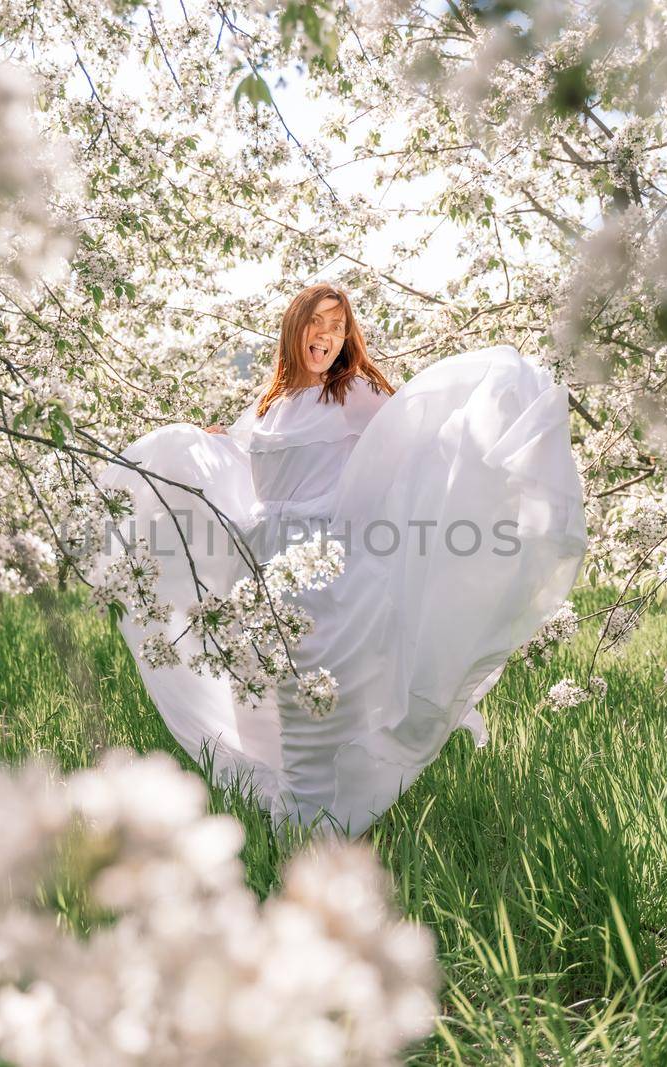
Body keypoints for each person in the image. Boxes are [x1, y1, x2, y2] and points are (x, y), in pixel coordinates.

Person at [94, 283, 587, 835]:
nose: (327, 336)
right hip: (258, 566)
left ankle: (319, 824)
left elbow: (414, 432)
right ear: (294, 327)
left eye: (337, 326)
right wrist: (201, 445)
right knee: (263, 700)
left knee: (313, 696)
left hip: (320, 569)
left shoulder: (352, 393)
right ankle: (290, 817)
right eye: (317, 323)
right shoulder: (269, 403)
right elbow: (243, 453)